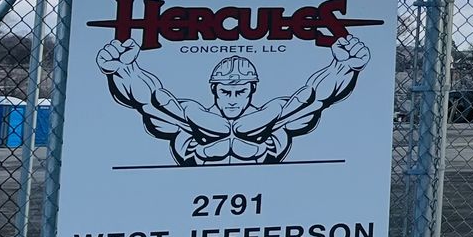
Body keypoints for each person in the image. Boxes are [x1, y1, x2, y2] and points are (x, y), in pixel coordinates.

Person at [96, 36, 370, 166]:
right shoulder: (193, 117)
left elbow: (313, 99)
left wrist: (343, 68)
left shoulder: (271, 117)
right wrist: (124, 70)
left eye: (240, 92)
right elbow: (151, 102)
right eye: (226, 91)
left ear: (252, 90)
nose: (232, 99)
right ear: (214, 90)